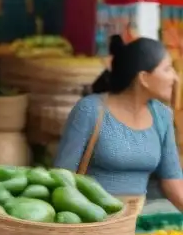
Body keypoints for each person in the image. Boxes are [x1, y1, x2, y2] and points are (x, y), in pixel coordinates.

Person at [54, 35, 183, 209]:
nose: (175, 78)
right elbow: (62, 175)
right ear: (144, 78)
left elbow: (172, 180)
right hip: (93, 220)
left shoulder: (162, 115)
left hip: (139, 221)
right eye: (167, 69)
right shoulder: (90, 110)